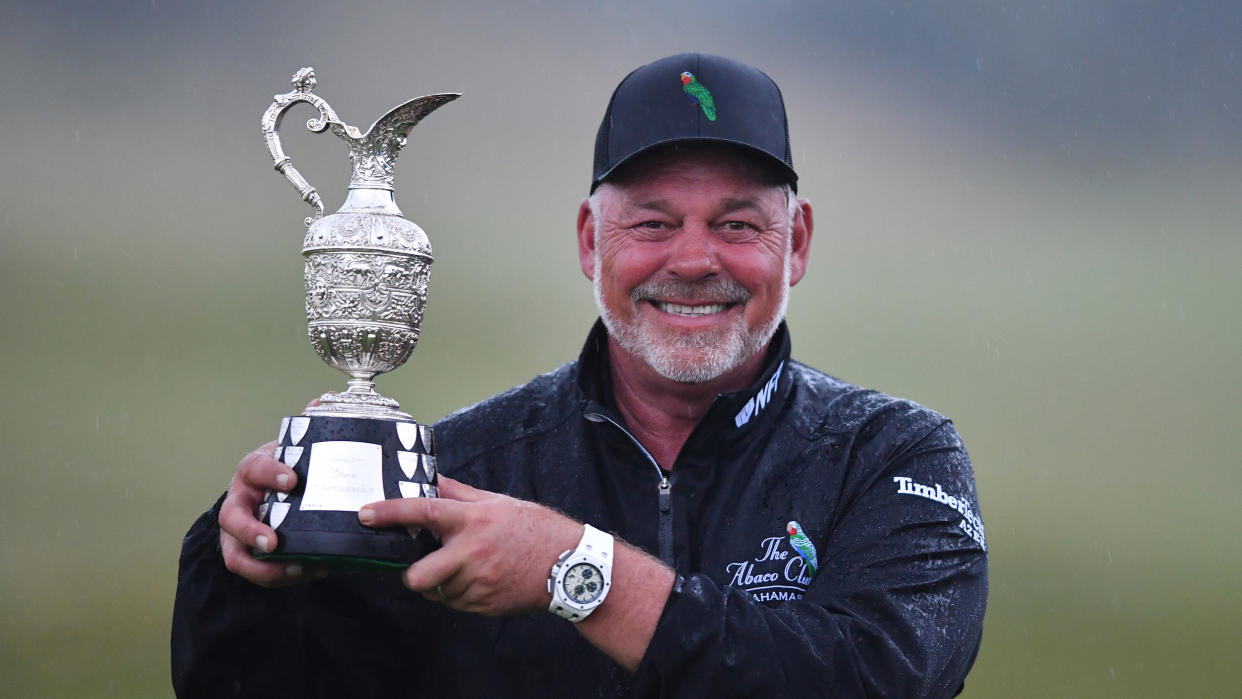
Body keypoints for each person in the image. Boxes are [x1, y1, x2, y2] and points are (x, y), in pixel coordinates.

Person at [173, 53, 987, 698]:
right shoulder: (459, 473)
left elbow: (874, 681)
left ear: (797, 242)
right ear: (590, 242)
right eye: (653, 223)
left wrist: (572, 570)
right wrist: (245, 559)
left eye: (737, 223)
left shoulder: (892, 460)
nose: (695, 258)